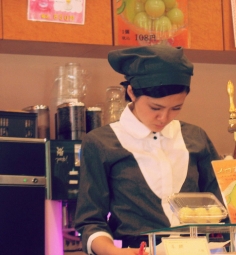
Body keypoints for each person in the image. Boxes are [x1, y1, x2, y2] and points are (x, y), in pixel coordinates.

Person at [74, 44, 225, 255]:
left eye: (176, 108)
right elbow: (90, 220)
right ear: (131, 92)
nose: (164, 118)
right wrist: (113, 252)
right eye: (156, 108)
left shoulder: (195, 137)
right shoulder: (101, 143)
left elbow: (222, 208)